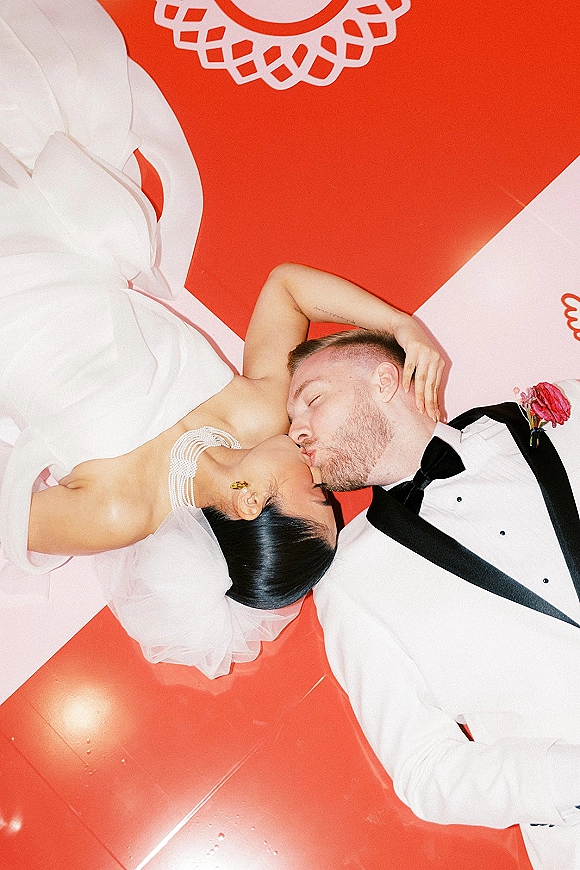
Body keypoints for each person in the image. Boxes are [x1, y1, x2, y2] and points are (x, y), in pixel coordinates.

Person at [0, 0, 442, 678]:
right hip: (44, 235)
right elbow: (288, 287)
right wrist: (400, 324)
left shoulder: (119, 512)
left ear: (245, 501)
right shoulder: (255, 414)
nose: (320, 473)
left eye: (314, 495)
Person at [286, 328, 580, 870]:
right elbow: (426, 771)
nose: (296, 431)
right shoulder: (349, 580)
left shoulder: (562, 414)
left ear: (384, 379)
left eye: (313, 399)